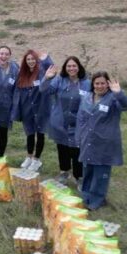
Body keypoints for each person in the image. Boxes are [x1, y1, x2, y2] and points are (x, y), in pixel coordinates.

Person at [76, 71, 127, 210]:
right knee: (88, 170)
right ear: (92, 84)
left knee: (101, 173)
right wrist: (79, 136)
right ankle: (86, 196)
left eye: (102, 83)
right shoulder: (87, 97)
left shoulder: (113, 98)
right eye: (97, 83)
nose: (99, 86)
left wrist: (119, 93)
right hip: (88, 140)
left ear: (107, 84)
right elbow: (81, 118)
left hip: (105, 143)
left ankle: (96, 201)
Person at [41, 56, 91, 185]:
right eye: (69, 66)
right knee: (62, 148)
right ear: (65, 68)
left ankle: (79, 177)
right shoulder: (59, 81)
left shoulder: (86, 84)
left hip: (79, 124)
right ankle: (64, 172)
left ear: (79, 67)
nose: (71, 68)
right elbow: (43, 90)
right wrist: (47, 78)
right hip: (60, 122)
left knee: (77, 150)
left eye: (74, 66)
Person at [12, 50, 54, 172]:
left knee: (40, 134)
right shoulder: (22, 74)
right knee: (30, 134)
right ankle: (29, 156)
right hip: (27, 109)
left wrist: (47, 59)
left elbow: (50, 70)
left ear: (37, 60)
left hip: (41, 108)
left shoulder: (41, 72)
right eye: (28, 59)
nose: (31, 61)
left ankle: (37, 159)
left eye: (33, 59)